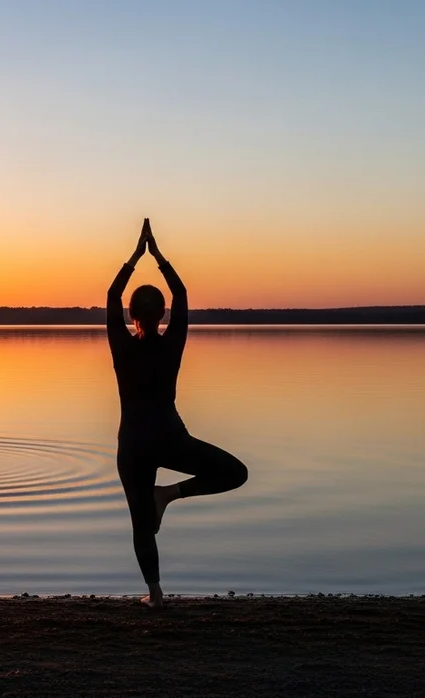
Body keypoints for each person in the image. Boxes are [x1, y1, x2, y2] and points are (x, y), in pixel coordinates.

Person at [107, 218, 248, 609]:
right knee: (236, 473)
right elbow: (182, 292)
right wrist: (159, 256)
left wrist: (136, 255)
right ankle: (168, 494)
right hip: (169, 438)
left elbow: (110, 294)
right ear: (164, 313)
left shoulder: (121, 345)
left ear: (130, 312)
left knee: (140, 522)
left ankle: (154, 596)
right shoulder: (172, 344)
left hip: (133, 444)